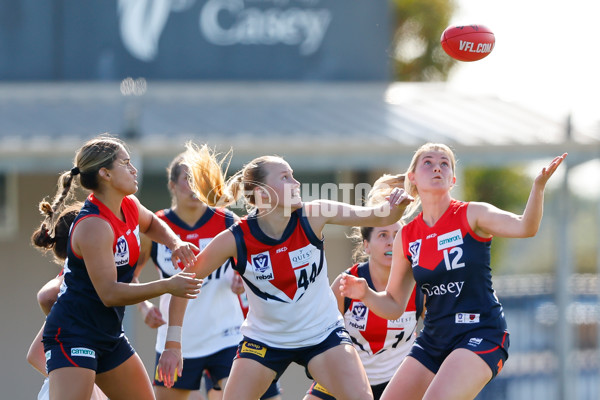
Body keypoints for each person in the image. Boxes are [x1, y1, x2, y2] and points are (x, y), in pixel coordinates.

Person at [157, 146, 413, 400]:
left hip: (321, 333)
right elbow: (185, 281)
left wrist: (398, 206)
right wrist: (173, 343)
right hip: (265, 340)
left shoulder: (314, 214)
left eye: (292, 175)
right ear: (261, 193)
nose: (296, 182)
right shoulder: (236, 238)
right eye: (285, 177)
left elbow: (379, 216)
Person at [339, 143, 567, 400]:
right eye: (428, 162)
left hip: (481, 333)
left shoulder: (472, 214)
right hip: (434, 340)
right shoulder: (407, 235)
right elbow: (393, 305)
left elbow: (526, 227)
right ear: (412, 177)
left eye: (444, 163)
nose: (437, 166)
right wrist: (366, 293)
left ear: (452, 179)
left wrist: (538, 187)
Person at [39, 135, 202, 400]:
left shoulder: (128, 204)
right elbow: (110, 293)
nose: (134, 169)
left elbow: (150, 224)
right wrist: (169, 286)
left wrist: (176, 243)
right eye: (125, 163)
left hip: (109, 336)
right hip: (74, 336)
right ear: (105, 173)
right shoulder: (94, 226)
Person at [135, 148, 281, 400]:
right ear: (172, 185)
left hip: (227, 335)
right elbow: (128, 276)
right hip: (178, 340)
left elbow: (256, 266)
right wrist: (145, 307)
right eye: (187, 179)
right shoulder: (156, 228)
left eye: (199, 180)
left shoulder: (227, 221)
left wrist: (243, 281)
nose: (194, 187)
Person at [304, 174, 424, 400]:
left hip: (399, 383)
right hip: (349, 380)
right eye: (383, 235)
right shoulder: (346, 283)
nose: (391, 242)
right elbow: (320, 333)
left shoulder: (419, 283)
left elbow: (439, 332)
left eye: (397, 235)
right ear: (366, 246)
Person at [28, 204, 108, 400]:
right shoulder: (74, 278)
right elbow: (46, 295)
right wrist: (74, 380)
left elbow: (34, 354)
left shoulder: (90, 277)